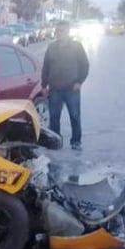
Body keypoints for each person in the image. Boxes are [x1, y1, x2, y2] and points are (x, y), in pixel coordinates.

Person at [41, 20, 90, 151]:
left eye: (62, 31)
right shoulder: (51, 48)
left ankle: (76, 141)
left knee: (74, 116)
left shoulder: (76, 47)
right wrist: (43, 85)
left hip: (71, 89)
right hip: (55, 90)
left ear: (68, 32)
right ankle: (56, 141)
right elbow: (46, 67)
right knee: (54, 118)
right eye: (57, 31)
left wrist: (79, 81)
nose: (59, 33)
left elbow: (85, 65)